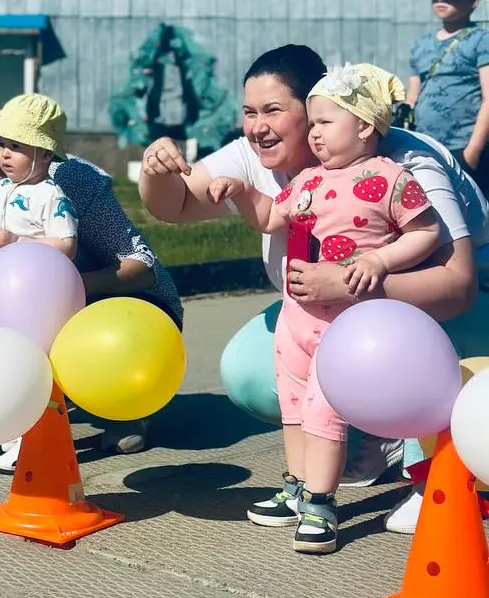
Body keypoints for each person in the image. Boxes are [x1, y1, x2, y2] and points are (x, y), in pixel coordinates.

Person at [138, 44, 489, 532]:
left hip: (455, 310)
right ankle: (365, 445)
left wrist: (349, 284)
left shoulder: (403, 163)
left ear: (323, 109)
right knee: (252, 371)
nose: (257, 126)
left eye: (274, 111)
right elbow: (177, 205)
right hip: (334, 309)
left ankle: (433, 472)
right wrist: (155, 170)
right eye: (249, 112)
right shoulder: (271, 161)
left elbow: (457, 286)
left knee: (415, 353)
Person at [207, 64, 441, 554]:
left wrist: (379, 259)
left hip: (345, 323)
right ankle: (296, 486)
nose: (312, 133)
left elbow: (425, 232)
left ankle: (321, 502)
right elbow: (272, 218)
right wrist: (245, 191)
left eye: (324, 122)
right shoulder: (308, 179)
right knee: (293, 408)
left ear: (363, 126)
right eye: (310, 123)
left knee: (324, 411)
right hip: (296, 318)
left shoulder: (391, 177)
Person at [0, 97, 182, 470]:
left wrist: (64, 288)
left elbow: (142, 266)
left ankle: (119, 405)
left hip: (118, 303)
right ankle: (15, 410)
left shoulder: (70, 180)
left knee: (85, 326)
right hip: (24, 309)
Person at [409, 0, 489, 195]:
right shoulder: (421, 45)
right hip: (424, 147)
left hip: (461, 148)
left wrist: (472, 152)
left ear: (474, 0)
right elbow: (414, 94)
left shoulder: (480, 41)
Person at [0, 94, 77, 263]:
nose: (5, 154)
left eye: (15, 146)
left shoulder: (50, 195)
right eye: (1, 144)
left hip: (33, 282)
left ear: (46, 153)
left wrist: (17, 241)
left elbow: (67, 247)